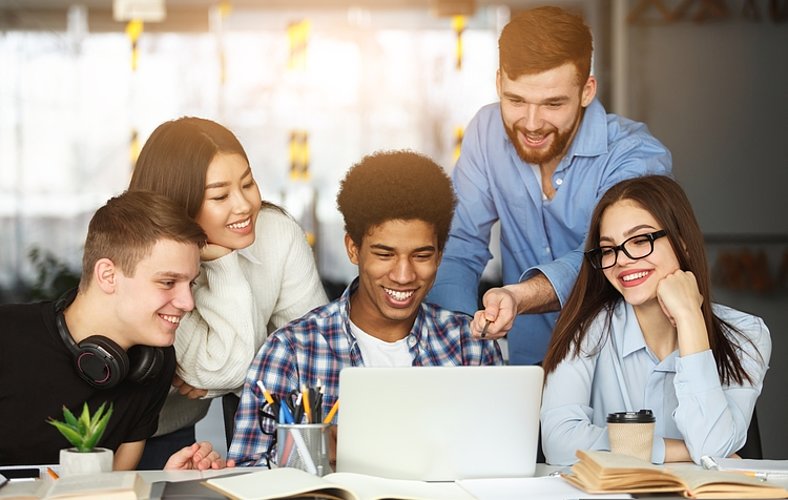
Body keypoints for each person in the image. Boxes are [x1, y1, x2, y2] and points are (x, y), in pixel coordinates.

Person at [427, 6, 672, 365]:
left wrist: (520, 296)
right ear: (499, 83)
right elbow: (461, 243)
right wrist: (459, 336)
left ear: (587, 90)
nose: (531, 123)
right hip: (531, 364)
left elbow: (612, 256)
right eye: (516, 100)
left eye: (553, 103)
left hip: (621, 364)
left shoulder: (636, 156)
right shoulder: (485, 133)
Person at [228, 150, 503, 466]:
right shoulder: (292, 351)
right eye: (385, 255)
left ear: (440, 254)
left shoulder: (471, 348)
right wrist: (316, 452)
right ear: (353, 249)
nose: (403, 276)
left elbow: (498, 462)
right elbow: (245, 473)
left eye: (422, 256)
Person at [128, 117, 328, 468]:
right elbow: (213, 368)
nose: (244, 205)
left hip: (187, 425)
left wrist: (222, 382)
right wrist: (221, 263)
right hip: (129, 428)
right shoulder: (148, 256)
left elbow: (309, 357)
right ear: (180, 203)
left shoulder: (278, 234)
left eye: (248, 183)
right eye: (220, 195)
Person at [539, 176, 771, 465]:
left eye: (640, 240)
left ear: (683, 243)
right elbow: (560, 443)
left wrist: (689, 318)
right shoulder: (586, 329)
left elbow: (712, 442)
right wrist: (683, 451)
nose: (621, 260)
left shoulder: (746, 334)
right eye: (609, 249)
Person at [0, 191, 230, 470]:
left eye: (190, 284)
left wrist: (165, 481)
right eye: (168, 282)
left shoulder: (154, 364)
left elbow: (114, 485)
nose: (188, 303)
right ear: (108, 276)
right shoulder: (8, 336)